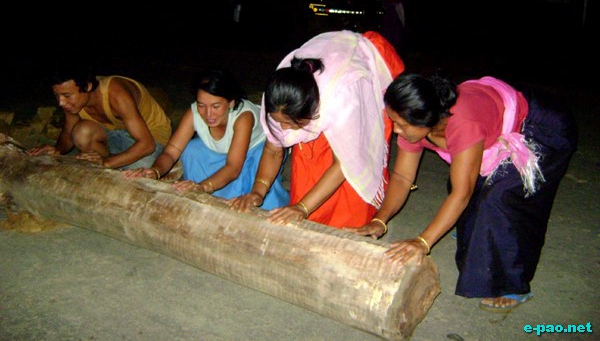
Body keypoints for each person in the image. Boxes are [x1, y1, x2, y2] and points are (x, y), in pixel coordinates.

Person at [346, 72, 577, 312]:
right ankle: (477, 227)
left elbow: (461, 193)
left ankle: (511, 283)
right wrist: (379, 220)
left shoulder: (463, 124)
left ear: (427, 121)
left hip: (543, 129)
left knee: (503, 199)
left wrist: (423, 242)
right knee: (470, 187)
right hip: (491, 117)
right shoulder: (421, 117)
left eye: (402, 124)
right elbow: (403, 178)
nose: (395, 130)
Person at [227, 30, 405, 228]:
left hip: (350, 86)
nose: (283, 128)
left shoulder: (342, 96)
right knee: (309, 171)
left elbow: (344, 164)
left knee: (351, 194)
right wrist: (257, 192)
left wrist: (302, 207)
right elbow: (273, 150)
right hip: (314, 96)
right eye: (279, 122)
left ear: (313, 111)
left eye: (290, 124)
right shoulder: (279, 96)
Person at [123, 68, 289, 210]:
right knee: (191, 150)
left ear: (231, 102)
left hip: (259, 151)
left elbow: (233, 167)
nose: (208, 114)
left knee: (258, 167)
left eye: (216, 106)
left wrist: (204, 186)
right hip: (226, 155)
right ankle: (210, 198)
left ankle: (245, 200)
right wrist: (155, 170)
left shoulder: (243, 117)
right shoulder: (194, 113)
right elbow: (171, 151)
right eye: (201, 105)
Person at [27, 62, 172, 170]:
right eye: (57, 95)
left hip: (150, 136)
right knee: (81, 132)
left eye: (66, 95)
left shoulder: (116, 93)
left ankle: (113, 162)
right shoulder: (71, 102)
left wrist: (105, 163)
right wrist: (56, 150)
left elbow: (147, 145)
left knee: (141, 166)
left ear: (88, 86)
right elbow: (68, 133)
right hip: (115, 135)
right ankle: (115, 161)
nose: (61, 102)